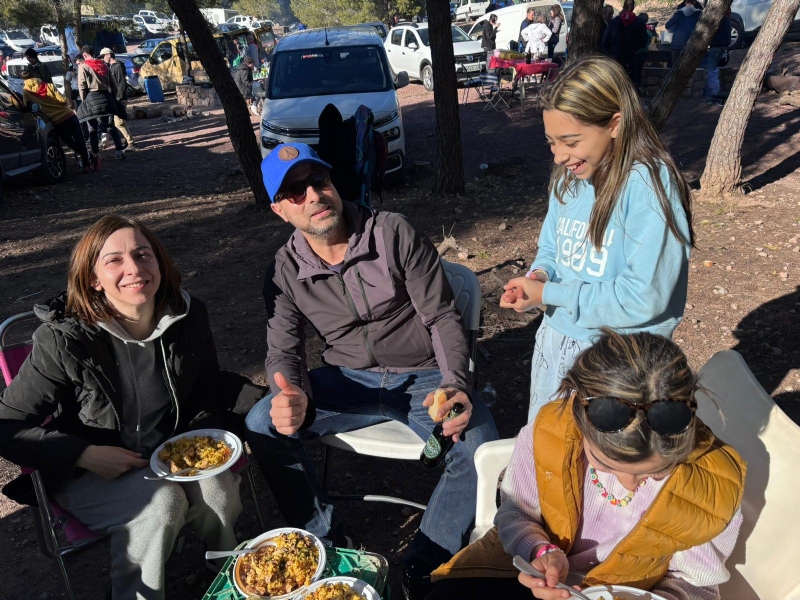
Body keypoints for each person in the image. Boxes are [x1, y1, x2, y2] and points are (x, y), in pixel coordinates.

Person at [245, 143, 499, 600]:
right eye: (295, 192)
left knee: (478, 444)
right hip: (346, 380)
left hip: (422, 376)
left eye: (318, 181)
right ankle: (322, 540)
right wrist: (292, 392)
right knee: (262, 422)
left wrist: (455, 384)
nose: (314, 196)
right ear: (279, 210)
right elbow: (283, 349)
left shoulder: (391, 232)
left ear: (333, 183)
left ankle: (425, 560)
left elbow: (442, 317)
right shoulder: (283, 271)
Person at [0, 215, 265, 600]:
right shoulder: (64, 341)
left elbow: (205, 389)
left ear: (159, 262)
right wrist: (84, 454)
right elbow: (6, 425)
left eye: (143, 255)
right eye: (114, 261)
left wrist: (244, 412)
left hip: (167, 452)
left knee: (217, 485)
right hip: (88, 471)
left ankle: (225, 569)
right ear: (93, 279)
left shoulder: (188, 317)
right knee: (161, 505)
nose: (135, 269)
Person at [424, 330, 745, 600]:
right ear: (578, 424)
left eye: (655, 472)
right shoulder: (550, 433)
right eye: (606, 465)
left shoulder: (711, 488)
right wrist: (540, 551)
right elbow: (516, 513)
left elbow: (696, 585)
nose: (630, 484)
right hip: (529, 572)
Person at [498, 56, 693, 422]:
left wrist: (551, 294)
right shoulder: (567, 179)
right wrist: (539, 277)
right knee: (553, 449)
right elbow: (552, 247)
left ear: (615, 123)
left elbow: (644, 296)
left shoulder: (648, 185)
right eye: (551, 141)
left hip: (620, 363)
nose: (558, 155)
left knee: (604, 467)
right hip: (556, 341)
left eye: (570, 141)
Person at [20, 68, 91, 172]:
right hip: (69, 115)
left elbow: (27, 105)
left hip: (57, 121)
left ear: (22, 78)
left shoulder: (26, 91)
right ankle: (87, 164)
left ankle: (87, 157)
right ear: (33, 75)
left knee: (70, 143)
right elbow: (62, 100)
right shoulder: (48, 85)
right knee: (80, 140)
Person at [76, 45, 125, 167]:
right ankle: (119, 151)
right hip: (106, 97)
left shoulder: (83, 66)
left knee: (92, 128)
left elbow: (81, 86)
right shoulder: (104, 65)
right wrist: (113, 98)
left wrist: (83, 101)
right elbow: (113, 85)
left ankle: (96, 154)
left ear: (85, 55)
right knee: (110, 126)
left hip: (91, 98)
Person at [601, 0, 649, 83]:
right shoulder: (640, 23)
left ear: (624, 6)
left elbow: (605, 41)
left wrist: (610, 53)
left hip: (615, 59)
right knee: (631, 83)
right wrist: (634, 48)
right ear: (633, 8)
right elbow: (644, 42)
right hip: (632, 59)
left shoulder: (614, 22)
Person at [101, 48, 136, 150]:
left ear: (108, 55)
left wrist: (119, 98)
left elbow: (121, 84)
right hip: (116, 98)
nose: (103, 59)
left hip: (119, 99)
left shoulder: (118, 66)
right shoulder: (112, 67)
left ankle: (131, 143)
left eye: (103, 56)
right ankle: (128, 141)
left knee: (119, 123)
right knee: (121, 122)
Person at [705, 8, 731, 98]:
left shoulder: (719, 20)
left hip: (716, 47)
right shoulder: (728, 19)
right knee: (715, 68)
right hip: (724, 47)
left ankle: (714, 93)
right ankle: (715, 91)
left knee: (711, 69)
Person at [666, 0, 701, 65]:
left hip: (677, 43)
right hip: (691, 43)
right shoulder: (699, 13)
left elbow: (667, 25)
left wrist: (672, 29)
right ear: (694, 2)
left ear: (685, 2)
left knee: (674, 65)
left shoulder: (679, 12)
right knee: (688, 65)